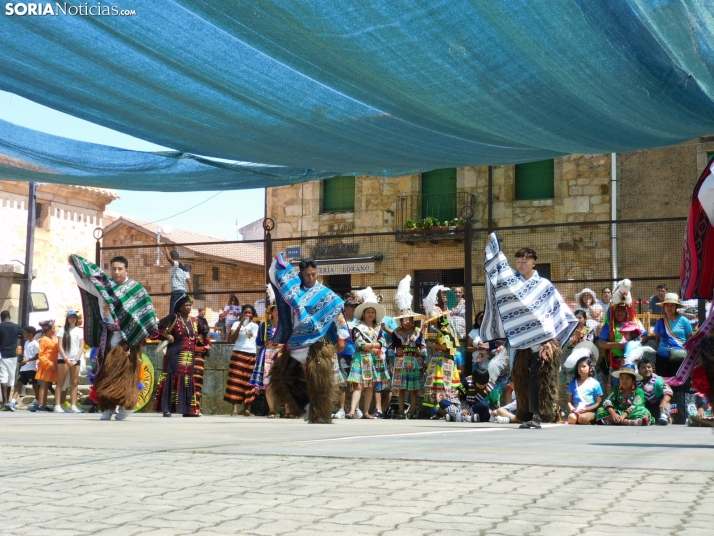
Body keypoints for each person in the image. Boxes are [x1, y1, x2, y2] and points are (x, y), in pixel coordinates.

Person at [481, 234, 578, 428]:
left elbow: (558, 311)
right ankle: (528, 415)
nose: (520, 264)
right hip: (522, 343)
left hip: (544, 343)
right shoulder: (513, 284)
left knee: (539, 378)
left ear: (534, 263)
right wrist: (494, 248)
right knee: (522, 380)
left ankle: (540, 415)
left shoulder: (544, 286)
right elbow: (500, 274)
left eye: (525, 261)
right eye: (518, 260)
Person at [69, 254, 158, 421]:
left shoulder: (136, 289)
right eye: (114, 269)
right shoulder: (105, 287)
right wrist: (75, 268)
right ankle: (108, 408)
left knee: (126, 374)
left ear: (126, 270)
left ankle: (127, 405)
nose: (116, 272)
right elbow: (87, 284)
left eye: (120, 269)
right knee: (105, 373)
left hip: (128, 339)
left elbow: (146, 310)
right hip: (107, 336)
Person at [268, 256, 349, 423]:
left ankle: (320, 414)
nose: (311, 278)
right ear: (301, 274)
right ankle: (305, 406)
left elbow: (339, 317)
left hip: (318, 343)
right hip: (296, 342)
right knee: (285, 376)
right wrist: (279, 264)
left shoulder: (326, 294)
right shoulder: (293, 292)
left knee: (319, 381)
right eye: (307, 275)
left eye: (314, 274)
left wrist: (342, 337)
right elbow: (275, 276)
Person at [154, 293, 205, 417]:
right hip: (174, 355)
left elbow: (203, 332)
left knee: (187, 381)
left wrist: (202, 343)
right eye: (185, 305)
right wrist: (167, 335)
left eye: (189, 305)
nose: (188, 307)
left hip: (189, 356)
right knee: (171, 379)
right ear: (180, 307)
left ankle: (187, 410)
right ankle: (166, 409)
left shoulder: (195, 321)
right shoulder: (174, 317)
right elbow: (156, 327)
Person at [346, 289, 388, 419]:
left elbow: (382, 342)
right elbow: (360, 344)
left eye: (373, 312)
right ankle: (352, 411)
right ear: (363, 314)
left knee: (370, 386)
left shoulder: (378, 328)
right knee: (359, 386)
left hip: (374, 359)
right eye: (368, 312)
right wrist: (374, 346)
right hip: (361, 358)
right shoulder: (358, 327)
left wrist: (372, 346)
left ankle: (366, 412)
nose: (370, 314)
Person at [390, 278, 427, 419]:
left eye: (409, 319)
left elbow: (422, 346)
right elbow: (391, 348)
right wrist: (391, 362)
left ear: (412, 320)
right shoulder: (396, 333)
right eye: (404, 320)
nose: (406, 322)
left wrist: (423, 361)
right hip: (400, 363)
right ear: (401, 321)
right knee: (401, 389)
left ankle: (412, 411)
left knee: (413, 390)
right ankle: (400, 410)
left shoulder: (417, 332)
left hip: (415, 363)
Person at [422, 285, 462, 417]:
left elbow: (447, 347)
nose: (432, 323)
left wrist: (434, 346)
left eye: (433, 320)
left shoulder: (444, 329)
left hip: (443, 363)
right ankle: (439, 411)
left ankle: (445, 410)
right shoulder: (444, 328)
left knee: (443, 387)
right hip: (441, 363)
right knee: (437, 387)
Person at [598, 295, 648, 389]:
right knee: (617, 388)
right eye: (617, 311)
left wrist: (635, 343)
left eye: (622, 310)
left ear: (626, 312)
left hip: (634, 364)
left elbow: (645, 337)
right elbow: (601, 343)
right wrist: (615, 345)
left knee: (634, 387)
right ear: (613, 312)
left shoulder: (634, 323)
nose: (619, 313)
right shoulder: (609, 326)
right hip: (616, 364)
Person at [224, 305, 259, 417]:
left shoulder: (255, 326)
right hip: (238, 353)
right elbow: (233, 338)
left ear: (252, 315)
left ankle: (246, 409)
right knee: (235, 381)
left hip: (250, 354)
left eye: (249, 313)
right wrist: (240, 324)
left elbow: (253, 339)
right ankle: (234, 408)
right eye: (245, 313)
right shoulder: (235, 324)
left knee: (248, 382)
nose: (247, 315)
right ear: (242, 314)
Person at [651, 293, 693, 378]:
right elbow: (657, 340)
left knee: (679, 383)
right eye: (667, 305)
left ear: (676, 307)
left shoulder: (684, 321)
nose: (669, 308)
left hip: (680, 357)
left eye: (672, 305)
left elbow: (690, 339)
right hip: (662, 357)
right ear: (664, 306)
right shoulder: (660, 322)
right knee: (663, 383)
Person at [250, 304, 281, 417]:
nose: (277, 312)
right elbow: (258, 342)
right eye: (275, 310)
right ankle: (272, 410)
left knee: (286, 382)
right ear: (271, 312)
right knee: (269, 384)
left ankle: (289, 411)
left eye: (279, 309)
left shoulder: (286, 325)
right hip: (268, 355)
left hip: (282, 355)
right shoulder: (265, 325)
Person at [332, 294, 358, 419]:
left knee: (357, 382)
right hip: (342, 354)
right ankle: (341, 409)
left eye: (355, 306)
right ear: (345, 308)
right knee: (342, 383)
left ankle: (356, 409)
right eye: (351, 306)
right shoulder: (339, 321)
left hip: (357, 355)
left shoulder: (359, 321)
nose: (353, 308)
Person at [55, 310, 84, 413]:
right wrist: (66, 359)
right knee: (61, 381)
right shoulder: (62, 330)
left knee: (74, 382)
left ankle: (73, 405)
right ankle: (57, 405)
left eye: (74, 317)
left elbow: (81, 347)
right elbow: (60, 346)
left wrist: (76, 359)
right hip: (64, 358)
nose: (73, 319)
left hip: (75, 359)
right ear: (67, 318)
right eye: (71, 317)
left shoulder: (79, 331)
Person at [564, 351, 603, 425]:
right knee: (571, 418)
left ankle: (590, 421)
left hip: (590, 411)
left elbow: (598, 402)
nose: (581, 369)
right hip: (577, 410)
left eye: (584, 366)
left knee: (582, 418)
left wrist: (586, 409)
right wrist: (572, 408)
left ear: (590, 368)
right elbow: (569, 401)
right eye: (579, 366)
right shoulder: (573, 383)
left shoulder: (595, 384)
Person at [7, 326, 40, 412]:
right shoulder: (26, 343)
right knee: (18, 384)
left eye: (25, 333)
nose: (23, 335)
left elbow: (37, 355)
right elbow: (26, 355)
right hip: (24, 368)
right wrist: (22, 360)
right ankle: (13, 402)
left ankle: (37, 402)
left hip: (32, 368)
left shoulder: (36, 344)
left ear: (30, 334)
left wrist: (28, 360)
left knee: (35, 386)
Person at [636, 356, 673, 426]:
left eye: (649, 367)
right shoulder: (635, 382)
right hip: (643, 406)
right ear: (639, 370)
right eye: (643, 367)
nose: (647, 369)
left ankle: (664, 417)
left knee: (665, 399)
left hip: (658, 405)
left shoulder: (658, 379)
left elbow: (668, 391)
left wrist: (664, 401)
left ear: (652, 368)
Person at [0, 310, 24, 406]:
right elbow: (24, 334)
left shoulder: (0, 326)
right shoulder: (16, 326)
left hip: (2, 354)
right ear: (9, 317)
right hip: (13, 355)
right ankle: (8, 401)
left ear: (1, 317)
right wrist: (16, 336)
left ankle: (5, 401)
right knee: (10, 378)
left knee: (3, 377)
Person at [35, 320, 59, 412]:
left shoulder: (54, 338)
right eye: (53, 328)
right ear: (48, 330)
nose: (55, 329)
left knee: (47, 384)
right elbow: (41, 355)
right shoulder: (43, 339)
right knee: (44, 385)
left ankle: (44, 404)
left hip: (54, 364)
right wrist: (49, 363)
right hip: (47, 364)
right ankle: (41, 404)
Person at [162, 245, 191, 315]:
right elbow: (189, 282)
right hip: (183, 292)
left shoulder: (176, 265)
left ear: (174, 258)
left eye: (172, 258)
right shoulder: (184, 269)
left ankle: (172, 324)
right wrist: (190, 294)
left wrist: (165, 247)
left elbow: (169, 259)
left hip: (176, 292)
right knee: (179, 312)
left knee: (172, 313)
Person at [193, 308, 211, 412]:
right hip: (189, 359)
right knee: (190, 384)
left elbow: (207, 348)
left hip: (199, 360)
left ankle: (197, 407)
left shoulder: (203, 336)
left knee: (198, 384)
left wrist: (202, 348)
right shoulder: (191, 334)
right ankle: (190, 407)